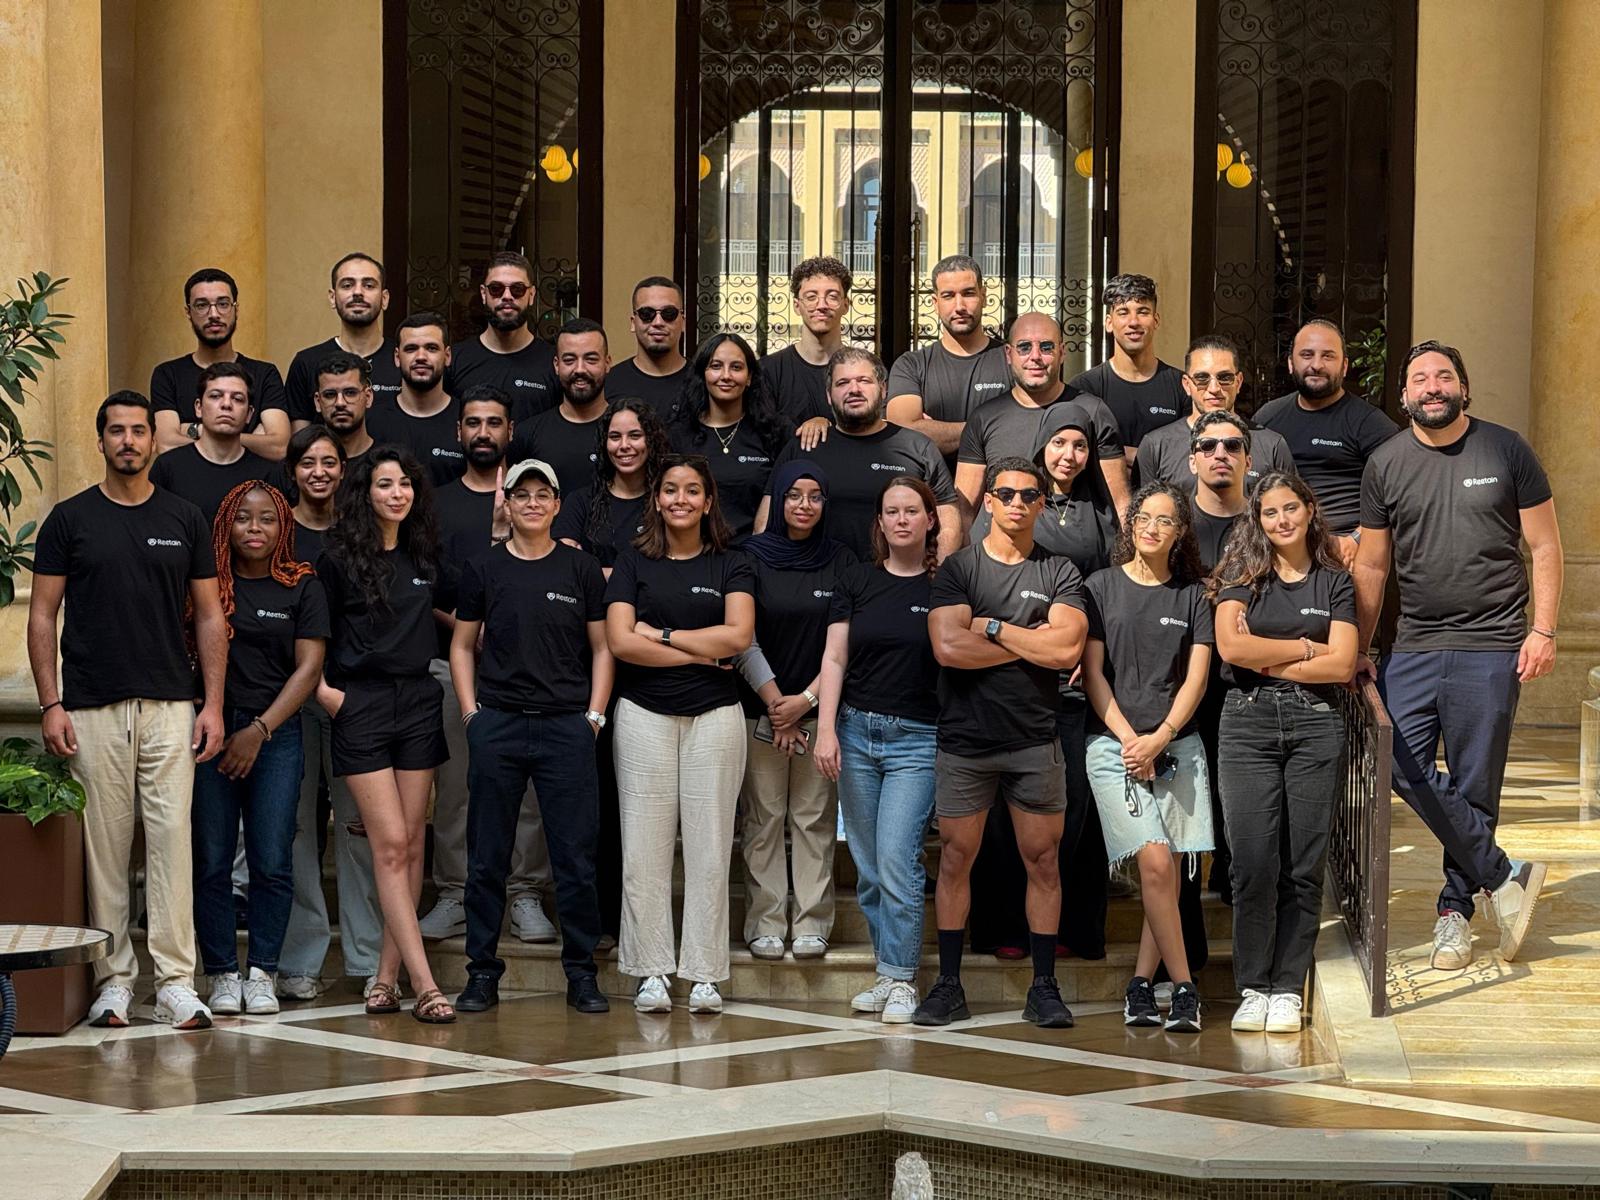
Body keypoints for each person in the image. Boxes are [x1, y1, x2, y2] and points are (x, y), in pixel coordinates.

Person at [1354, 340, 1561, 968]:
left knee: (1475, 784)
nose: (1433, 387)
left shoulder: (1506, 449)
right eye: (1420, 378)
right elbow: (1372, 564)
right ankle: (1505, 875)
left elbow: (1545, 546)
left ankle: (1454, 912)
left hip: (1491, 644)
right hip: (1414, 643)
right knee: (1398, 762)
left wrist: (1543, 630)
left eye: (1444, 376)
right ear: (1404, 395)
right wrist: (1358, 648)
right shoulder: (1385, 463)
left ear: (1463, 388)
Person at [28, 392, 227, 1030]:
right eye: (116, 431)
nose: (128, 441)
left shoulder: (185, 517)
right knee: (105, 850)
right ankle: (113, 982)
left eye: (139, 431)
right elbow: (41, 615)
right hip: (92, 705)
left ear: (153, 440)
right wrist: (51, 702)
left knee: (172, 843)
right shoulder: (69, 519)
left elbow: (210, 616)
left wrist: (213, 704)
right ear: (102, 441)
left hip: (171, 704)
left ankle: (175, 983)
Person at [915, 457, 1088, 1029]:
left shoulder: (1059, 570)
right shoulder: (959, 568)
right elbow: (948, 649)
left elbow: (1066, 651)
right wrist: (1028, 643)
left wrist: (990, 626)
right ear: (987, 501)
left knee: (1044, 861)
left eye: (1029, 495)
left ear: (1042, 504)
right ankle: (948, 984)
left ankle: (1044, 986)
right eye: (1006, 494)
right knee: (955, 859)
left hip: (1034, 739)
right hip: (966, 740)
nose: (1017, 503)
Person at [452, 459, 613, 1015]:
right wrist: (471, 715)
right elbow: (462, 645)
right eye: (522, 494)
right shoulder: (483, 567)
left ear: (557, 503)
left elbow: (602, 648)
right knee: (487, 858)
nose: (532, 503)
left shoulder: (580, 568)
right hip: (498, 724)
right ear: (508, 504)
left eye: (543, 494)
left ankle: (581, 973)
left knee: (575, 859)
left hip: (566, 726)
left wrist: (594, 717)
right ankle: (481, 972)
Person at [605, 455, 755, 1014]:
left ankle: (705, 975)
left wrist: (662, 635)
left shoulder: (732, 563)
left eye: (693, 490)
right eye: (670, 490)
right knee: (643, 851)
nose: (681, 500)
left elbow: (737, 638)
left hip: (716, 718)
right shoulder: (632, 561)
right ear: (657, 499)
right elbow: (621, 642)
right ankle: (651, 971)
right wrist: (699, 652)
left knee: (710, 849)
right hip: (642, 715)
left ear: (708, 500)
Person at [969, 409, 1120, 963]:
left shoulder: (1103, 512)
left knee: (1074, 808)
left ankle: (1072, 929)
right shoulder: (1013, 502)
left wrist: (1089, 652)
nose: (1069, 455)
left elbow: (1110, 589)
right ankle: (1005, 926)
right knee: (1004, 812)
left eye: (1080, 445)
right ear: (1041, 447)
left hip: (1077, 676)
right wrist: (1023, 643)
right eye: (1059, 442)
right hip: (1009, 681)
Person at [1211, 471, 1356, 1033]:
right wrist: (1303, 648)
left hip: (1316, 724)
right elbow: (1231, 647)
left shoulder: (1334, 581)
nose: (1281, 520)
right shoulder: (1242, 574)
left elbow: (1342, 664)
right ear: (1258, 520)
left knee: (1302, 865)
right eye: (1269, 512)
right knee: (1252, 863)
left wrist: (1266, 659)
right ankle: (1254, 987)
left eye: (1290, 508)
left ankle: (1287, 988)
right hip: (1246, 724)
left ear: (1309, 509)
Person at [317, 446, 454, 1023]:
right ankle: (427, 986)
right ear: (365, 493)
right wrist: (331, 697)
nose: (397, 494)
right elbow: (308, 639)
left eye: (405, 485)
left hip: (419, 701)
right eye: (384, 484)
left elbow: (456, 616)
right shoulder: (337, 559)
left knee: (413, 844)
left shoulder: (424, 554)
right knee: (391, 844)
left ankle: (385, 978)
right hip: (362, 704)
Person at [419, 387, 556, 945]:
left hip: (527, 672)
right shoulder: (435, 503)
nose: (482, 432)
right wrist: (470, 631)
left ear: (510, 431)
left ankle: (524, 894)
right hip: (451, 663)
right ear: (458, 432)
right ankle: (454, 893)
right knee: (455, 787)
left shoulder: (530, 501)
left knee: (527, 791)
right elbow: (423, 586)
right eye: (472, 423)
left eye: (493, 423)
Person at [1082, 482, 1214, 1034]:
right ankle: (1184, 988)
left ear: (1179, 532)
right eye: (1144, 518)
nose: (1152, 528)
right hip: (1114, 747)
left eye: (1164, 521)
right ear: (1131, 524)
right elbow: (1092, 675)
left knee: (1172, 872)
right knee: (1156, 863)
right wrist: (1131, 741)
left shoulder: (1194, 596)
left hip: (1177, 746)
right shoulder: (1100, 587)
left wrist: (1161, 736)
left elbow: (1197, 679)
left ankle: (1140, 983)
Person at [192, 481, 328, 1017]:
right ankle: (223, 973)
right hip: (211, 733)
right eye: (244, 518)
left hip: (276, 736)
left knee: (272, 859)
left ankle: (263, 972)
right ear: (226, 524)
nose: (255, 528)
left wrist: (260, 730)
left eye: (267, 518)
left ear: (283, 525)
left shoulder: (302, 585)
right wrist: (224, 725)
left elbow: (309, 668)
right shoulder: (206, 584)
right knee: (212, 860)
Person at [815, 476, 942, 1023]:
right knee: (868, 867)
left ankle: (902, 978)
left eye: (912, 510)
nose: (901, 520)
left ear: (930, 520)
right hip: (855, 733)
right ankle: (887, 973)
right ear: (881, 522)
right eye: (892, 511)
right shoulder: (858, 580)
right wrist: (825, 729)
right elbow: (835, 658)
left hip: (917, 738)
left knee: (897, 859)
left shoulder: (946, 585)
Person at [275, 425, 384, 1000]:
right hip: (289, 699)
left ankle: (368, 960)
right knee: (295, 828)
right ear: (292, 471)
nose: (319, 472)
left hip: (352, 699)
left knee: (359, 827)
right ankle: (300, 960)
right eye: (308, 463)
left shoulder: (360, 532)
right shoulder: (276, 530)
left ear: (344, 470)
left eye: (329, 463)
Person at [735, 462, 856, 961]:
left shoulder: (841, 560)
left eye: (814, 496)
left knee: (814, 820)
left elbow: (844, 646)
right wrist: (775, 706)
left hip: (817, 714)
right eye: (793, 495)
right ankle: (765, 921)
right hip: (758, 709)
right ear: (779, 499)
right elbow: (742, 638)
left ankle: (811, 923)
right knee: (763, 819)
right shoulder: (750, 556)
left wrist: (804, 702)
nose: (804, 505)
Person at [762, 347, 961, 562]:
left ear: (883, 390)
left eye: (864, 381)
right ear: (829, 395)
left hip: (896, 578)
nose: (854, 389)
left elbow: (947, 522)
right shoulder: (805, 446)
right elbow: (766, 520)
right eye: (842, 383)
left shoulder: (918, 447)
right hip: (815, 575)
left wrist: (939, 574)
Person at [956, 312, 1130, 521]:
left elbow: (1120, 503)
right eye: (1024, 347)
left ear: (1062, 352)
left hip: (1078, 539)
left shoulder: (1093, 412)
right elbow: (965, 511)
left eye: (1046, 347)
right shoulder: (984, 418)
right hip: (1003, 540)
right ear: (1009, 354)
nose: (1035, 356)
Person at [1255, 319, 1399, 561]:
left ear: (1344, 366)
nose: (1316, 365)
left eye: (1328, 356)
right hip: (1279, 550)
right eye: (1307, 355)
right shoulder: (1268, 417)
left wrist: (1357, 539)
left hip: (1345, 551)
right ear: (1291, 363)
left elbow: (1399, 493)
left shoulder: (1371, 424)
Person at [151, 267, 289, 458]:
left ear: (236, 309)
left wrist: (194, 430)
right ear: (188, 312)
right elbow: (166, 444)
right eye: (202, 305)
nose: (214, 314)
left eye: (223, 304)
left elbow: (279, 447)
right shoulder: (168, 374)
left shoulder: (264, 374)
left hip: (251, 478)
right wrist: (251, 439)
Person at [886, 255, 1012, 460]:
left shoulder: (1011, 359)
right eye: (948, 296)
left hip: (1001, 481)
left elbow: (1030, 426)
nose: (959, 306)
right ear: (935, 303)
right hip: (930, 481)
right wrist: (992, 429)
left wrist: (933, 431)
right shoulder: (911, 366)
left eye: (968, 293)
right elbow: (902, 434)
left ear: (983, 296)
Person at [1134, 334, 1293, 490]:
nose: (1214, 388)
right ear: (1187, 385)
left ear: (1238, 382)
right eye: (1202, 378)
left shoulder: (1272, 446)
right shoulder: (1156, 446)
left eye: (1224, 377)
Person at [669, 332, 788, 539]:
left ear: (749, 377)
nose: (726, 376)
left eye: (736, 367)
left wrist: (819, 422)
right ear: (703, 374)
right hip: (695, 552)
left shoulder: (775, 431)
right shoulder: (678, 435)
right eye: (716, 366)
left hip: (757, 552)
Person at [1069, 273, 1188, 459]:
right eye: (1123, 313)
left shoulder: (1182, 386)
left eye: (1143, 312)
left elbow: (1190, 449)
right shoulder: (1084, 388)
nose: (1133, 322)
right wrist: (1124, 454)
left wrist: (1141, 457)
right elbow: (1074, 448)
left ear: (1156, 321)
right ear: (1109, 323)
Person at [286, 252, 402, 429]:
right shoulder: (307, 362)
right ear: (333, 298)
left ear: (384, 298)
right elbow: (300, 440)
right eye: (347, 285)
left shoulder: (404, 360)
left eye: (369, 285)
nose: (358, 292)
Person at [555, 398, 671, 574]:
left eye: (635, 436)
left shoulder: (666, 502)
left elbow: (670, 572)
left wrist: (595, 571)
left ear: (651, 440)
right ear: (604, 443)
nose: (624, 445)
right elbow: (567, 570)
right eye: (615, 437)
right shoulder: (580, 502)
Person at [149, 362, 280, 519]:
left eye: (237, 398)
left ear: (249, 414)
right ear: (198, 407)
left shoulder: (269, 474)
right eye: (216, 396)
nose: (226, 404)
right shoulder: (167, 467)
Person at [444, 251, 558, 423]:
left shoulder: (553, 362)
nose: (507, 296)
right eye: (496, 289)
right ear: (483, 294)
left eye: (517, 289)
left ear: (531, 295)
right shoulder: (455, 360)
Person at [367, 311, 465, 487]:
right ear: (397, 357)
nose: (421, 357)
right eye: (411, 349)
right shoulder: (372, 421)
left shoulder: (467, 422)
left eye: (431, 348)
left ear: (447, 356)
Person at [519, 317, 611, 493]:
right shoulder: (528, 434)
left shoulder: (626, 434)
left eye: (591, 359)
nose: (580, 369)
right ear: (556, 365)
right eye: (569, 360)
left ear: (607, 363)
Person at [761, 256, 852, 425]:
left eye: (832, 296)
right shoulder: (768, 370)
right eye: (811, 297)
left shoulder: (864, 371)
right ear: (797, 306)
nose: (821, 305)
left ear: (845, 305)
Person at [606, 276, 689, 415]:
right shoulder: (609, 383)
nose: (658, 322)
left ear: (683, 322)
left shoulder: (703, 382)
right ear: (633, 323)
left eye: (669, 313)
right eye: (647, 313)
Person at [313, 350, 378, 469]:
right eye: (330, 394)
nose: (340, 403)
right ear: (318, 402)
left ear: (368, 397)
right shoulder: (301, 467)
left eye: (350, 393)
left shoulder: (388, 464)